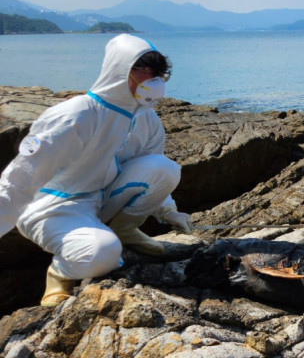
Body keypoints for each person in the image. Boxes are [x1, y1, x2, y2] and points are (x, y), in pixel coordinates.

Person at [0, 34, 192, 306]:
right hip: (52, 208)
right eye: (145, 71)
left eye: (159, 73)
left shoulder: (146, 118)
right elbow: (21, 177)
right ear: (120, 69)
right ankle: (60, 273)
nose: (155, 80)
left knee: (165, 168)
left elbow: (153, 165)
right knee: (103, 254)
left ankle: (125, 230)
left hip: (100, 199)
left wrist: (168, 211)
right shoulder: (76, 114)